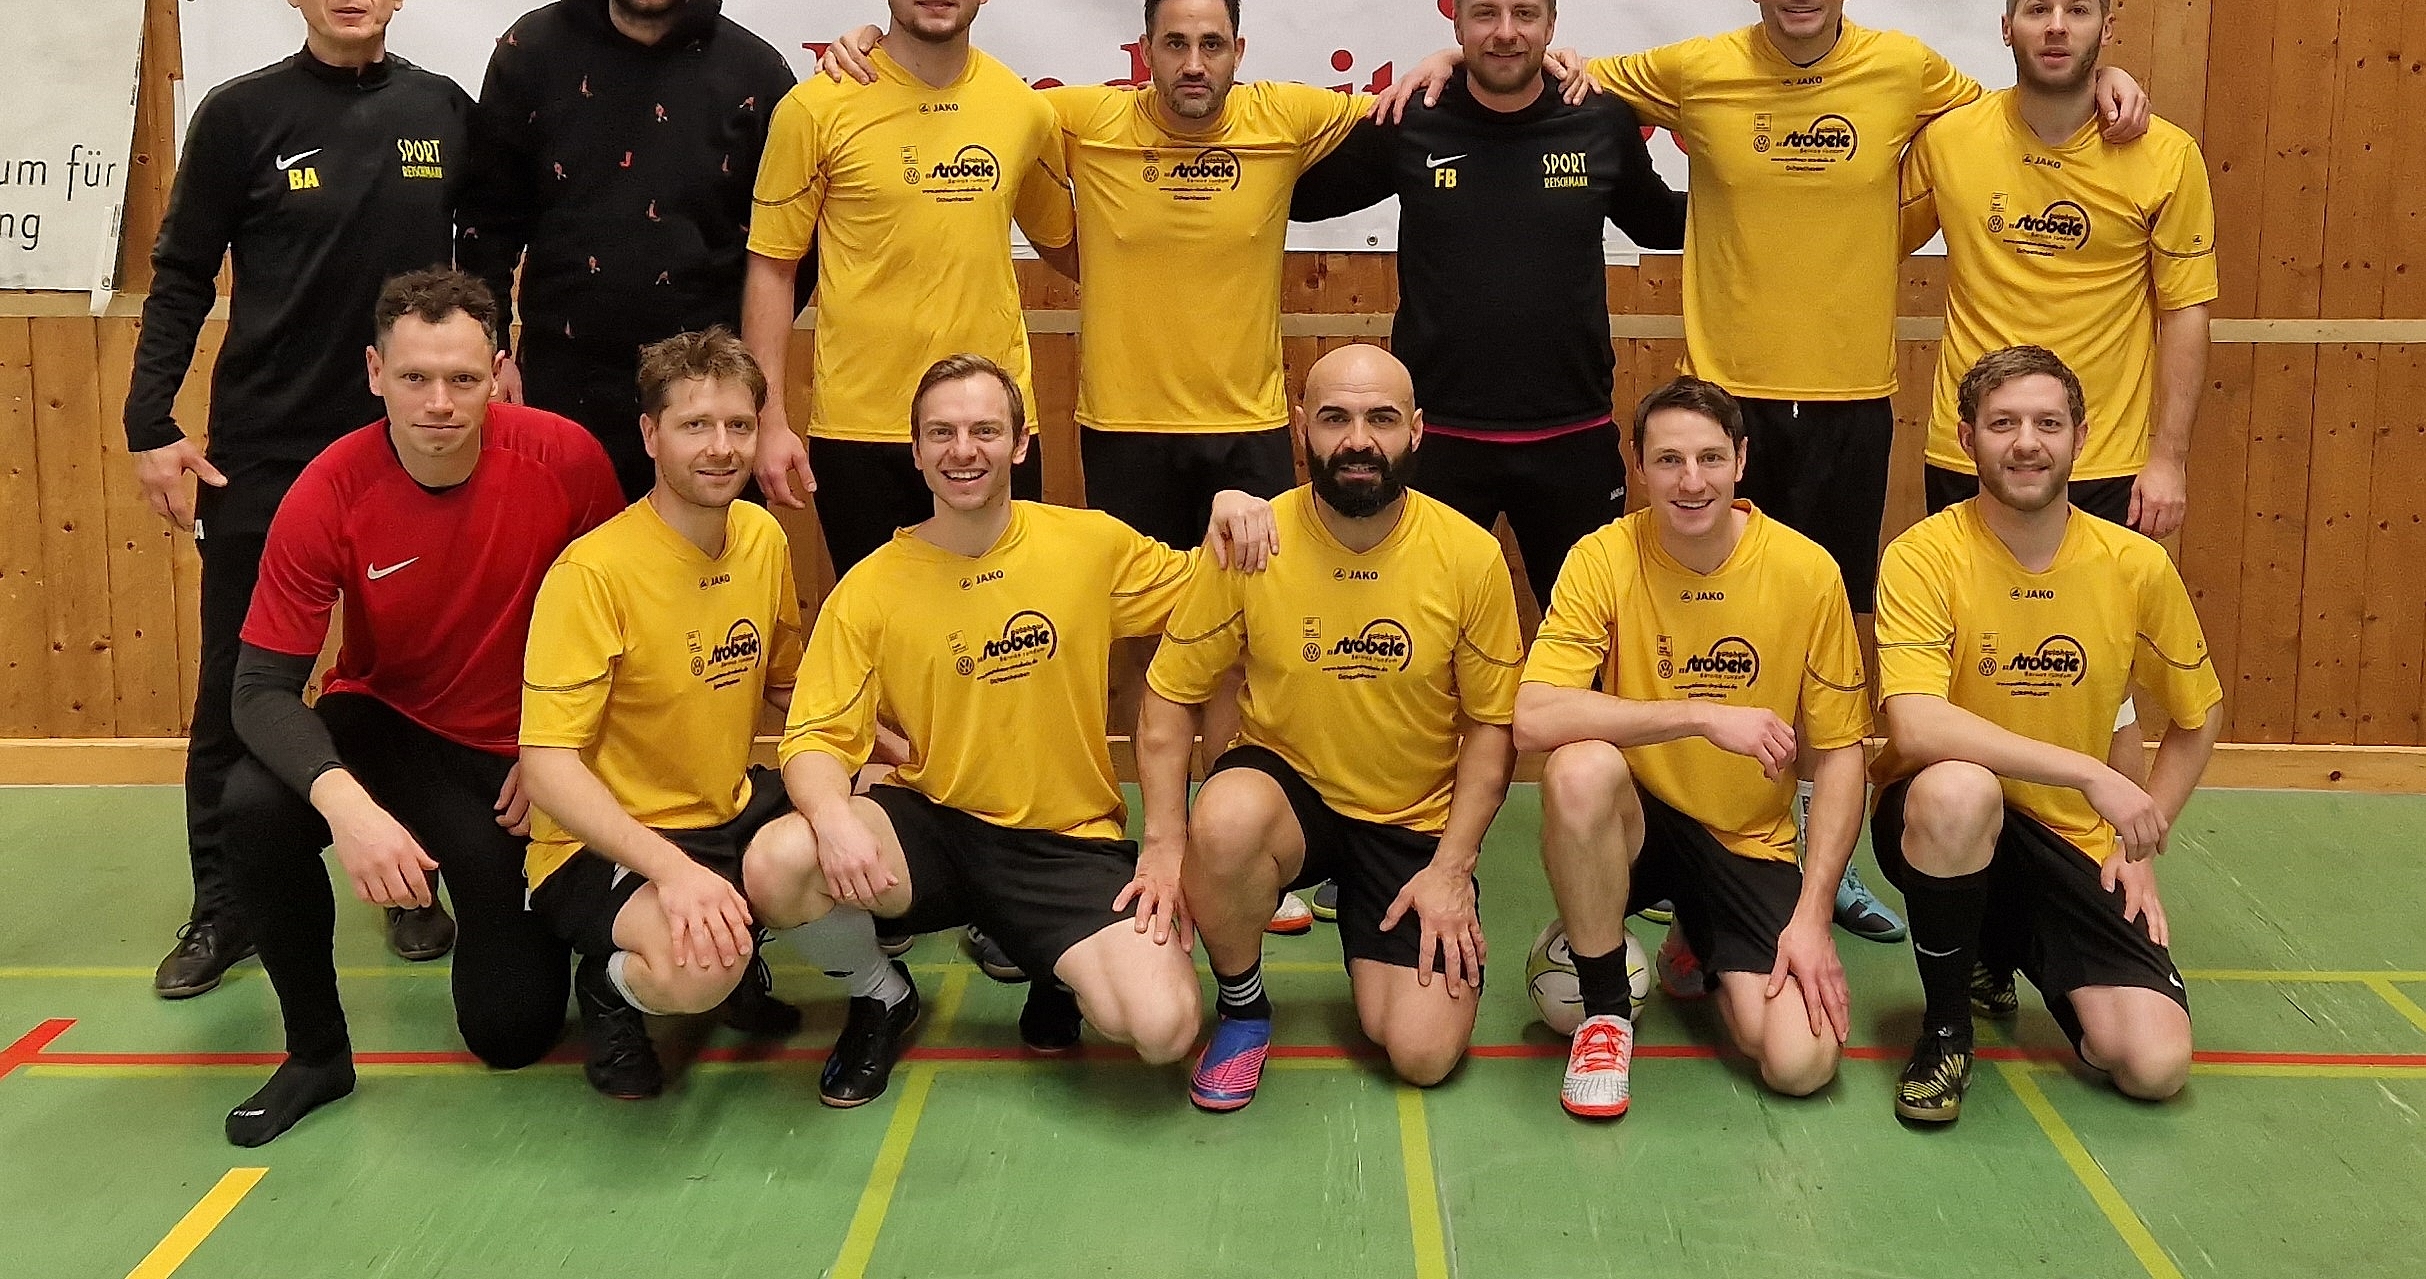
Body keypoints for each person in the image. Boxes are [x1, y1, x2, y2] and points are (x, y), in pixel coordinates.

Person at [1396, 0, 2149, 943]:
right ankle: (1663, 844)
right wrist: (1442, 59)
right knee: (1695, 633)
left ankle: (1807, 848)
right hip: (1727, 400)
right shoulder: (1694, 67)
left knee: (1829, 633)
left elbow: (2018, 105)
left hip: (1850, 401)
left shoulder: (1904, 69)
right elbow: (1545, 71)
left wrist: (2105, 74)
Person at [817, 0, 1370, 930]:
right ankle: (1121, 838)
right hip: (1123, 429)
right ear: (1142, 51)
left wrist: (1440, 59)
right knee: (1134, 648)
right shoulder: (1081, 118)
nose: (1192, 62)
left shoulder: (1286, 115)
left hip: (1243, 427)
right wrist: (867, 41)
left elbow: (1410, 107)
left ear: (1239, 52)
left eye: (1212, 45)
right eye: (1174, 43)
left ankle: (1235, 846)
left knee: (1242, 643)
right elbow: (961, 90)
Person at [747, 355, 1277, 1102]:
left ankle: (1051, 967)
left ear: (1021, 444)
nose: (963, 450)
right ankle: (880, 995)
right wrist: (833, 819)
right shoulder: (869, 588)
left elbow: (1211, 583)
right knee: (778, 861)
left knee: (1163, 1027)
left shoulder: (1088, 545)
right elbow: (811, 738)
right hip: (933, 826)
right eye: (942, 433)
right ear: (917, 451)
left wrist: (1231, 506)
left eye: (985, 430)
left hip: (1064, 842)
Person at [125, 0, 471, 999]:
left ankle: (410, 882)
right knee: (239, 678)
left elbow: (486, 258)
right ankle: (223, 904)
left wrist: (495, 362)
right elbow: (181, 274)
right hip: (265, 454)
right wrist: (149, 422)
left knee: (406, 679)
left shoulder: (441, 109)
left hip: (411, 452)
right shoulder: (241, 115)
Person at [217, 268, 622, 1144]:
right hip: (387, 726)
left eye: (463, 378)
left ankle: (556, 934)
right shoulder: (329, 489)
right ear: (375, 372)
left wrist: (562, 751)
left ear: (499, 374)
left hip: (515, 755)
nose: (439, 402)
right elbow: (257, 689)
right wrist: (349, 808)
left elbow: (629, 629)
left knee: (510, 1033)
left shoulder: (566, 460)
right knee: (253, 803)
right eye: (414, 377)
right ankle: (316, 1053)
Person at [1137, 344, 1523, 1111]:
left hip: (1408, 815)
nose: (1358, 440)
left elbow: (1491, 728)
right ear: (1300, 427)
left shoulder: (1470, 556)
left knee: (1420, 1052)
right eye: (1335, 418)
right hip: (1290, 792)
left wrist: (1452, 868)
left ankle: (1371, 912)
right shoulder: (1253, 540)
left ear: (1417, 430)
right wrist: (1162, 839)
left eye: (1382, 418)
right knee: (1225, 820)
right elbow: (1170, 694)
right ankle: (1243, 1007)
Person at [1871, 346, 2223, 1125]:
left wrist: (2138, 842)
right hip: (1942, 818)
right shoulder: (1922, 556)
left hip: (2071, 839)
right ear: (1967, 438)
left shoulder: (2135, 565)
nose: (2026, 442)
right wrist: (2089, 773)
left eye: (2047, 423)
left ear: (2080, 437)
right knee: (1961, 789)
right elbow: (1917, 723)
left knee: (2155, 1065)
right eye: (2003, 423)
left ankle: (1998, 946)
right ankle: (1946, 1030)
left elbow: (2200, 716)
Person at [1292, 0, 1685, 609]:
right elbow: (1296, 199)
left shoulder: (1599, 119)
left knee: (1590, 644)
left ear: (1551, 22)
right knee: (1417, 642)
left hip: (1573, 439)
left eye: (1524, 13)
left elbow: (1660, 222)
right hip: (1437, 441)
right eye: (1485, 13)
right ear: (1456, 19)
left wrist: (1768, 181)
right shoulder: (1414, 117)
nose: (1505, 32)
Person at [1515, 377, 1869, 1120]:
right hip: (1639, 820)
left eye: (1710, 458)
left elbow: (1841, 753)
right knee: (1580, 767)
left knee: (1800, 1062)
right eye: (1669, 460)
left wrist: (1812, 917)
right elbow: (1534, 716)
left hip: (1747, 838)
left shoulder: (1807, 571)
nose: (1691, 481)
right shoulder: (1603, 556)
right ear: (1639, 467)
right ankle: (1605, 1013)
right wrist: (1701, 716)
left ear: (1741, 460)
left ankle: (1698, 941)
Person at [518, 330, 811, 1101]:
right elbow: (546, 766)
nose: (721, 447)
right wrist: (673, 870)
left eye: (739, 425)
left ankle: (739, 942)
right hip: (608, 839)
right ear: (651, 434)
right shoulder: (592, 573)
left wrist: (887, 746)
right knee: (698, 966)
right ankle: (612, 988)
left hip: (725, 806)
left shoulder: (762, 536)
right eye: (695, 425)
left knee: (860, 832)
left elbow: (790, 684)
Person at [742, 0, 1075, 574]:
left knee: (1001, 622)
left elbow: (1074, 249)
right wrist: (768, 420)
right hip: (862, 431)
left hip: (992, 426)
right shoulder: (814, 108)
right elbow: (773, 268)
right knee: (879, 628)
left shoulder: (1023, 110)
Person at [457, 0, 799, 499]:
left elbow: (786, 253)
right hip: (561, 383)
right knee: (561, 560)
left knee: (707, 564)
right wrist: (490, 353)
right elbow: (486, 223)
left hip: (710, 395)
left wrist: (754, 386)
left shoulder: (756, 73)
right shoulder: (531, 53)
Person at [1904, 0, 2217, 535]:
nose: (2056, 26)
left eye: (2077, 10)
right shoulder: (1949, 140)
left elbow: (2186, 310)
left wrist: (2169, 459)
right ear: (2006, 27)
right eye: (2037, 9)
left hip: (2103, 459)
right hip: (1970, 452)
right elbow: (1869, 237)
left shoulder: (2168, 155)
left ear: (2106, 27)